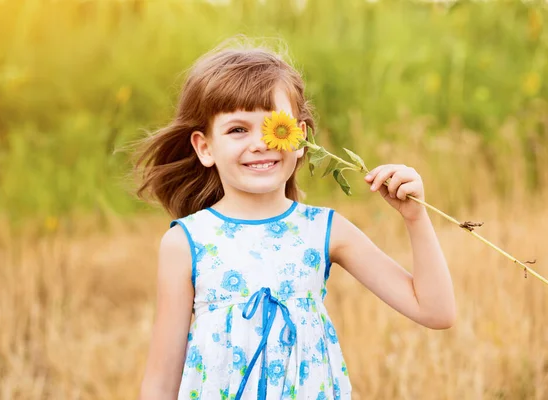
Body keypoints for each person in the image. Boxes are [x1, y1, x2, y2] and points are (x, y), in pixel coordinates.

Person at [135, 39, 456, 400]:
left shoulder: (324, 230)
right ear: (205, 147)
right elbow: (160, 383)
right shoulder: (186, 242)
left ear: (301, 138)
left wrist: (415, 217)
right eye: (238, 129)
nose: (260, 142)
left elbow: (436, 311)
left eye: (276, 127)